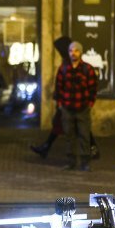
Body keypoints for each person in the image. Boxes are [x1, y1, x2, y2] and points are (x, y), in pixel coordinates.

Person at [31, 36, 100, 160]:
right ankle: (89, 149)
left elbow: (92, 87)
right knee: (75, 127)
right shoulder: (66, 66)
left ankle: (89, 150)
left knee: (78, 128)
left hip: (76, 103)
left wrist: (89, 103)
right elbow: (60, 85)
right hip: (67, 103)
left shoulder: (81, 67)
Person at [55, 40, 98, 171]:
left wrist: (90, 103)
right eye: (71, 51)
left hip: (83, 107)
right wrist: (60, 104)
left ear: (81, 52)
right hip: (67, 107)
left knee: (84, 135)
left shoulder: (87, 69)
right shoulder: (63, 68)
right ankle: (71, 161)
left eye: (76, 50)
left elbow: (93, 88)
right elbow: (58, 87)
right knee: (69, 135)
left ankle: (85, 162)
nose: (73, 53)